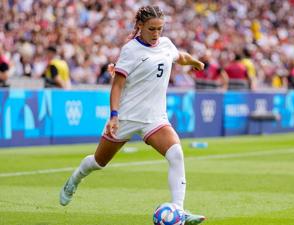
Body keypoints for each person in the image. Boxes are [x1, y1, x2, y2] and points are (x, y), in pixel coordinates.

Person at [59, 5, 206, 225]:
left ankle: (179, 211)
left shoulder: (165, 44)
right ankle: (75, 178)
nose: (156, 34)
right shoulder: (130, 50)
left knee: (176, 154)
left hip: (155, 118)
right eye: (152, 29)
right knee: (98, 162)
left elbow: (179, 57)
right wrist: (114, 116)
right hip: (127, 117)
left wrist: (195, 62)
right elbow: (117, 85)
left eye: (160, 29)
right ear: (140, 26)